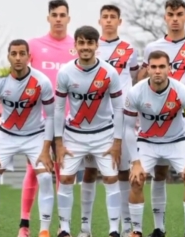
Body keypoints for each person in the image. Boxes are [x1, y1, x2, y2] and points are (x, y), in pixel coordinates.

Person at [136, 0, 185, 237]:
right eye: (171, 14)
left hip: (184, 117)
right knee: (158, 174)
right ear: (165, 17)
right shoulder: (152, 47)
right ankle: (159, 228)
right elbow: (141, 78)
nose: (175, 18)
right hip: (157, 118)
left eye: (179, 14)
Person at [54, 26, 124, 237]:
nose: (85, 47)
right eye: (81, 43)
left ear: (96, 45)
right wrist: (58, 142)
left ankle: (113, 230)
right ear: (75, 45)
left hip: (103, 134)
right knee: (66, 179)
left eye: (89, 43)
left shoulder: (109, 72)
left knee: (111, 179)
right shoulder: (65, 72)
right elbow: (58, 108)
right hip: (74, 135)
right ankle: (65, 229)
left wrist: (117, 142)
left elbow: (119, 108)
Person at [123, 50, 185, 237]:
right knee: (136, 180)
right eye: (153, 67)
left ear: (169, 69)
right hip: (147, 141)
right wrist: (135, 163)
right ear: (148, 69)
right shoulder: (135, 92)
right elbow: (127, 128)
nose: (157, 71)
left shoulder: (182, 91)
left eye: (161, 67)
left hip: (176, 141)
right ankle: (137, 231)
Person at [16, 0, 77, 237]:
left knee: (64, 171)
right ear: (48, 18)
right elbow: (21, 77)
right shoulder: (34, 45)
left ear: (68, 18)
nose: (59, 19)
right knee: (34, 170)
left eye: (63, 15)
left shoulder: (76, 46)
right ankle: (24, 225)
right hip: (39, 120)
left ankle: (63, 226)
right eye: (55, 15)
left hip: (69, 121)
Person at [0, 39, 55, 237]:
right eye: (14, 54)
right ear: (8, 57)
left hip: (35, 136)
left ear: (29, 57)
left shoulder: (42, 81)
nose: (18, 58)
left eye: (22, 53)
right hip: (6, 136)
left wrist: (45, 150)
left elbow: (50, 117)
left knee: (47, 178)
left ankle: (44, 231)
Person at [79, 4, 139, 237]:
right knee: (90, 171)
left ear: (119, 21)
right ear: (100, 20)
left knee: (122, 171)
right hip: (95, 117)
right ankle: (85, 228)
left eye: (113, 17)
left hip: (122, 116)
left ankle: (125, 226)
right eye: (105, 17)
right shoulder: (93, 47)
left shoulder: (129, 49)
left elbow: (132, 76)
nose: (109, 21)